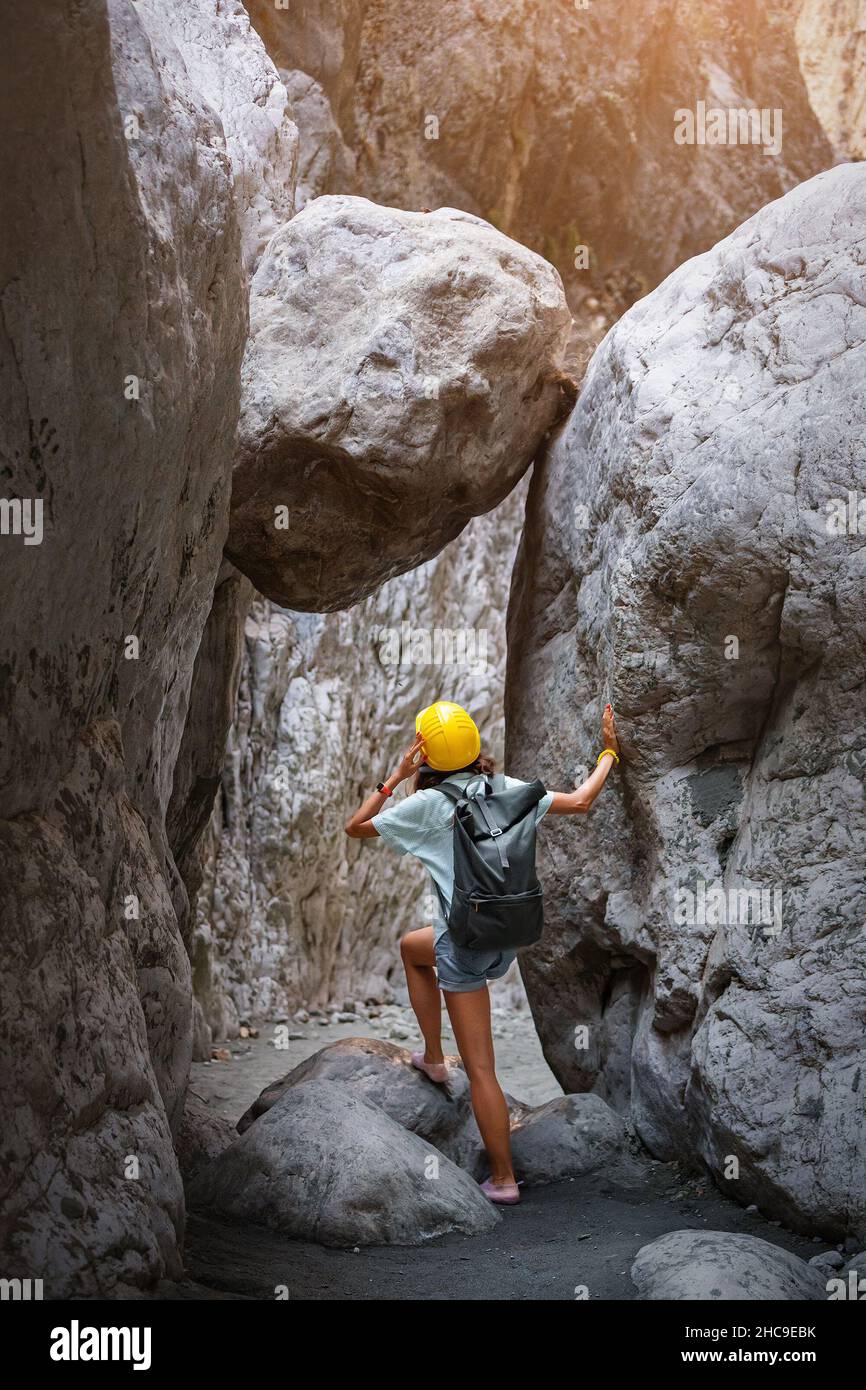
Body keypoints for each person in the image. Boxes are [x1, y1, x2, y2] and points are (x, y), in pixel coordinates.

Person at [345, 699, 620, 1204]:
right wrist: (609, 751)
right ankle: (430, 1056)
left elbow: (357, 826)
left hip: (463, 945)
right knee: (412, 947)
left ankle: (503, 1178)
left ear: (426, 753)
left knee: (481, 1071)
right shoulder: (510, 790)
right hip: (505, 939)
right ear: (474, 746)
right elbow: (582, 801)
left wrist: (395, 777)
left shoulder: (428, 806)